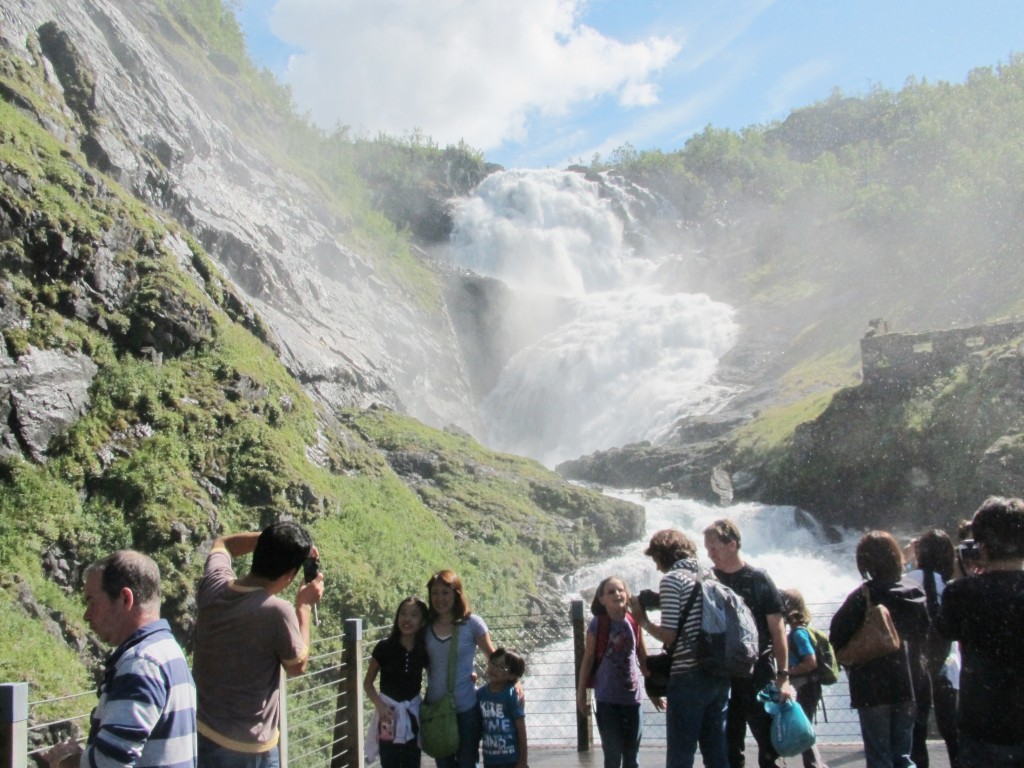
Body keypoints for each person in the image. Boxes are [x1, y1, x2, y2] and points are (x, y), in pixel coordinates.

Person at [42, 551, 197, 768]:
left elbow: (110, 763)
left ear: (125, 599)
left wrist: (64, 761)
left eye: (92, 601)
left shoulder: (141, 663)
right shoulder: (169, 651)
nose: (86, 615)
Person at [191, 522, 325, 767]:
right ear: (289, 576)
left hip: (201, 734)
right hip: (249, 750)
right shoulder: (277, 611)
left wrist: (272, 540)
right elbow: (297, 664)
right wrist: (303, 608)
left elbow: (223, 543)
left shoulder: (213, 586)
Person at [936, 496, 1024, 768]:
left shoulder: (961, 593)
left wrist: (961, 574)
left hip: (982, 724)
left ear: (981, 546)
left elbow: (943, 632)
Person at [629, 528, 729, 768]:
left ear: (664, 554)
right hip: (719, 673)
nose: (656, 567)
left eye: (656, 559)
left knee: (681, 753)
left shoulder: (673, 580)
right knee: (716, 750)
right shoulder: (710, 577)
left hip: (688, 676)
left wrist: (642, 620)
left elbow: (670, 635)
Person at [829, 531, 929, 768]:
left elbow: (836, 636)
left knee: (879, 755)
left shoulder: (863, 596)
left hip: (872, 685)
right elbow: (925, 633)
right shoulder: (914, 591)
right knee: (903, 755)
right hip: (910, 682)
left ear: (865, 562)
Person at [702, 519, 794, 768]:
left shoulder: (758, 579)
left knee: (767, 741)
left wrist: (783, 676)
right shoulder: (710, 580)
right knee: (727, 744)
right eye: (707, 549)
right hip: (722, 673)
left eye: (714, 548)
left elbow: (778, 631)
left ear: (732, 545)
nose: (710, 555)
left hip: (758, 671)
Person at [424, 569, 497, 768]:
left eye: (445, 592)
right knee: (444, 764)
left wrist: (514, 682)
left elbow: (494, 658)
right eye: (435, 593)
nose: (440, 598)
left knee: (467, 763)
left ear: (457, 593)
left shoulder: (472, 624)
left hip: (466, 708)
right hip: (437, 710)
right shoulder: (425, 626)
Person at [576, 576, 649, 768]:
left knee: (632, 757)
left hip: (633, 699)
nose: (617, 594)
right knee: (613, 756)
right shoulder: (597, 624)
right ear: (602, 600)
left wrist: (655, 690)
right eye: (611, 592)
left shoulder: (634, 621)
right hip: (607, 699)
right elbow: (588, 659)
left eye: (620, 590)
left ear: (627, 594)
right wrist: (581, 694)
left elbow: (643, 657)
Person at [904, 529, 959, 768]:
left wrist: (905, 561)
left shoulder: (905, 579)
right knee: (953, 732)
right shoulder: (950, 585)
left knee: (917, 730)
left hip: (914, 665)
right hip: (947, 664)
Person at [364, 597, 431, 768]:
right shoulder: (384, 647)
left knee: (412, 761)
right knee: (389, 761)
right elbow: (368, 683)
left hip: (412, 715)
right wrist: (380, 706)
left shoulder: (424, 649)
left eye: (414, 615)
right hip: (387, 716)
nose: (407, 619)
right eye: (403, 614)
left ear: (422, 622)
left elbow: (433, 679)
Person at [779, 589, 828, 768]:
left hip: (807, 686)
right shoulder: (798, 631)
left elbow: (810, 662)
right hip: (808, 686)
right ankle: (816, 764)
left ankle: (815, 765)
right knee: (803, 727)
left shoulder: (798, 633)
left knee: (803, 729)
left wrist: (787, 672)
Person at [477, 648, 527, 768]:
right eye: (493, 663)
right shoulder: (481, 694)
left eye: (501, 667)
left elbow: (521, 729)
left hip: (510, 759)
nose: (494, 669)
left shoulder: (511, 695)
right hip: (490, 759)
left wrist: (522, 762)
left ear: (512, 675)